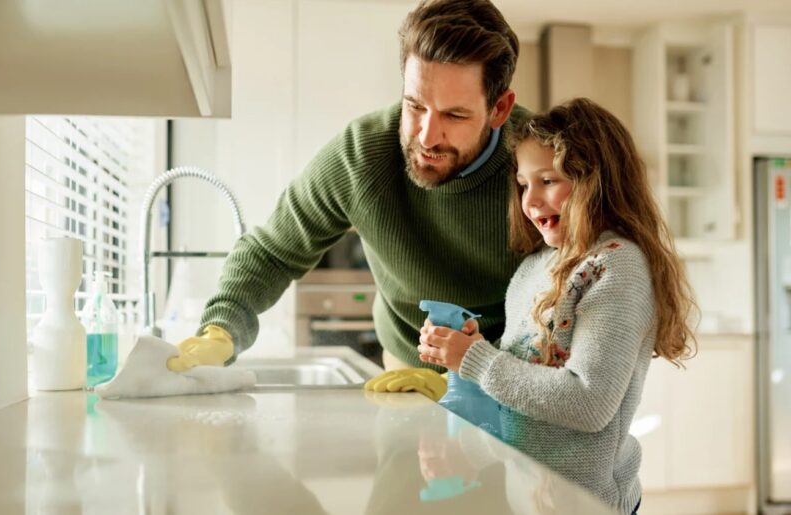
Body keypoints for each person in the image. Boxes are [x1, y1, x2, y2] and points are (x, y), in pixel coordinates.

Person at [166, 0, 530, 400]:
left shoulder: (538, 163)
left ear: (499, 109)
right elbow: (272, 252)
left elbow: (571, 299)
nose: (427, 137)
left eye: (454, 116)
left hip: (511, 371)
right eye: (415, 106)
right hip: (407, 367)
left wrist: (473, 377)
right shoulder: (362, 155)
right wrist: (221, 329)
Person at [416, 98, 698, 514]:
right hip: (531, 497)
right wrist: (472, 358)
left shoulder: (616, 266)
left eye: (547, 180)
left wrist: (476, 360)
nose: (530, 201)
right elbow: (523, 394)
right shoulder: (536, 266)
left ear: (594, 180)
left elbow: (588, 402)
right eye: (524, 183)